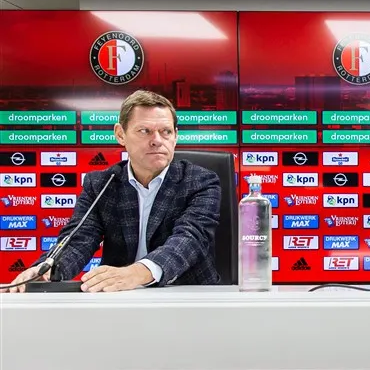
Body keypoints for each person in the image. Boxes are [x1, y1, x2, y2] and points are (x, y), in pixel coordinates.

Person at [4, 90, 221, 293]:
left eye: (165, 131)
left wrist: (136, 272)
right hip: (118, 297)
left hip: (188, 296)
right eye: (144, 131)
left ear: (175, 136)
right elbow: (79, 239)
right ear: (120, 134)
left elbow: (190, 238)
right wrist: (46, 270)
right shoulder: (100, 184)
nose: (156, 140)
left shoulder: (201, 181)